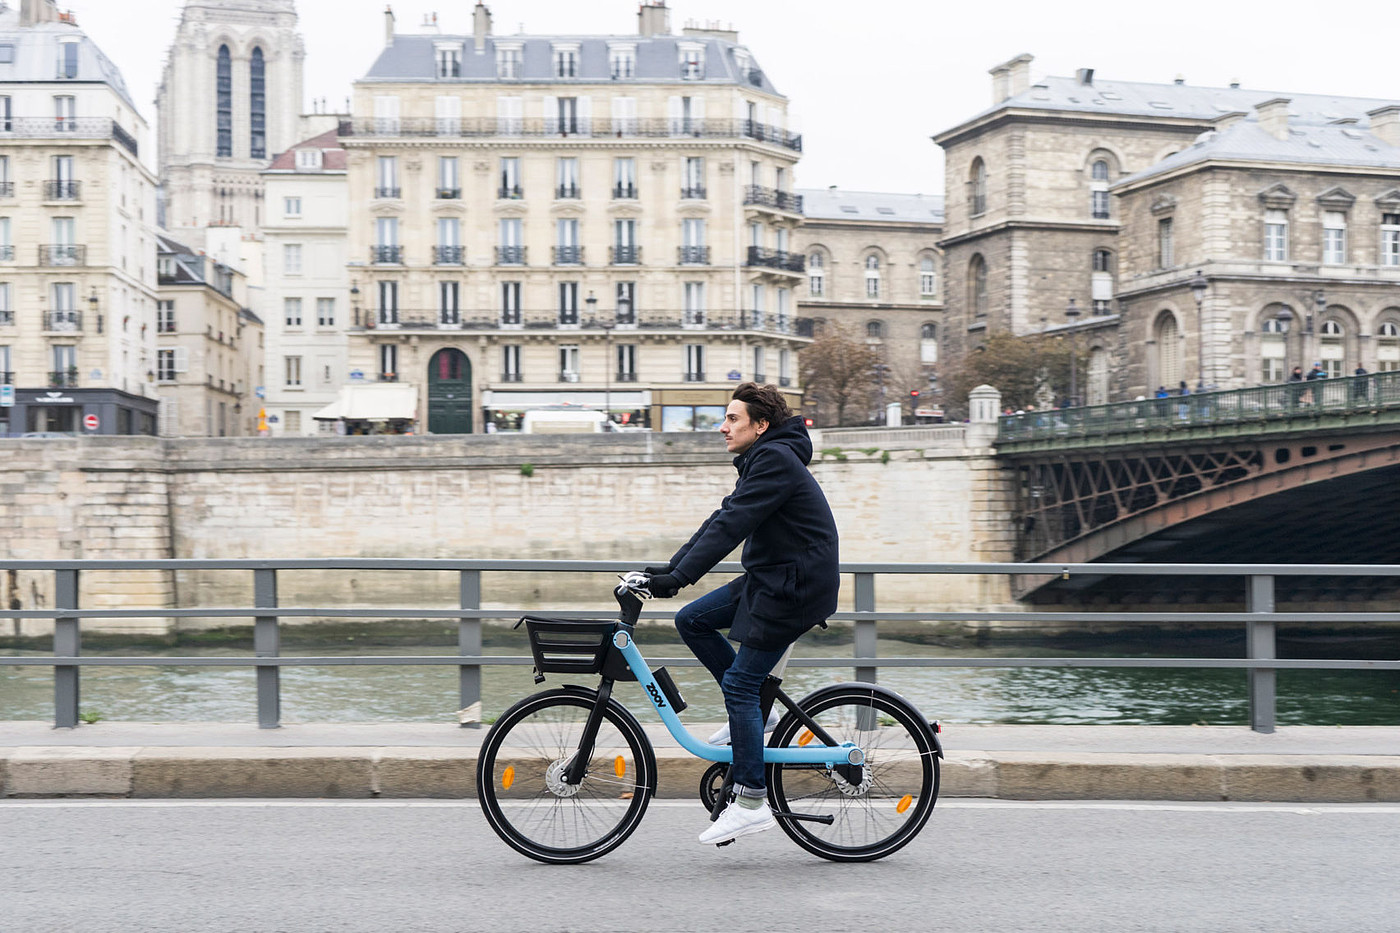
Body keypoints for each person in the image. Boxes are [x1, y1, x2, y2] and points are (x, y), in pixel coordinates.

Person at [642, 382, 839, 846]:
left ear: (761, 425)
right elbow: (722, 516)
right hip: (773, 577)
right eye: (725, 418)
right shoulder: (763, 458)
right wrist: (669, 570)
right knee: (691, 620)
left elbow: (733, 527)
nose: (723, 427)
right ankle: (759, 720)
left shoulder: (774, 460)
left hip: (793, 588)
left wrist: (679, 578)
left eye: (733, 418)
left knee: (740, 684)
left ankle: (752, 800)